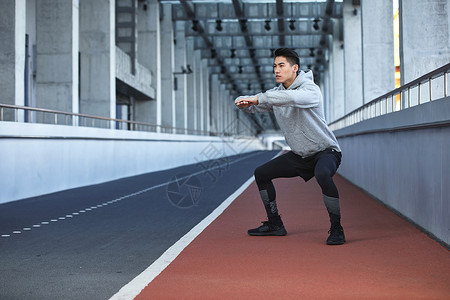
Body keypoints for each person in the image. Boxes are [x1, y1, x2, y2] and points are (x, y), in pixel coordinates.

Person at [234, 48, 345, 245]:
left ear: (295, 68)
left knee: (322, 174)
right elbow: (265, 104)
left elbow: (292, 98)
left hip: (325, 151)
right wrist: (247, 105)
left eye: (281, 65)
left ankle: (337, 229)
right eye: (274, 66)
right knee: (261, 173)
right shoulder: (276, 94)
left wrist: (258, 97)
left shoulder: (311, 90)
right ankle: (275, 224)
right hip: (300, 155)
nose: (276, 70)